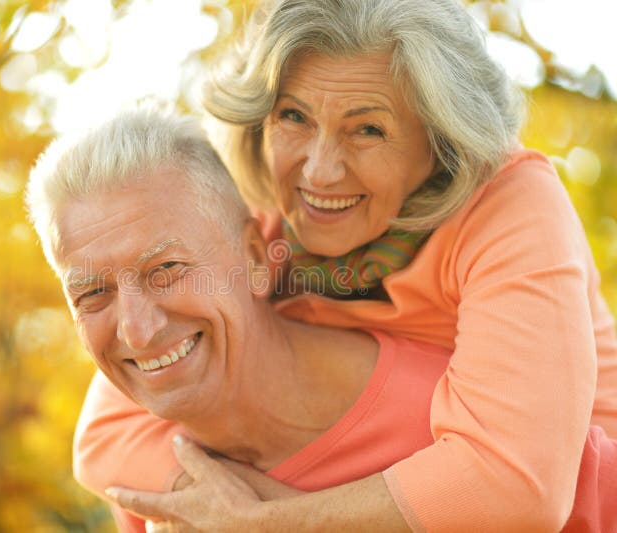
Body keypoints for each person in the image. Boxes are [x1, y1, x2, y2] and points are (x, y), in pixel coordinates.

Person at [71, 0, 617, 531]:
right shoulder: (261, 218)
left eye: (368, 129)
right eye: (294, 117)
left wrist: (271, 524)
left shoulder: (509, 203)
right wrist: (210, 505)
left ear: (439, 139)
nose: (321, 171)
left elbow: (517, 487)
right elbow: (111, 428)